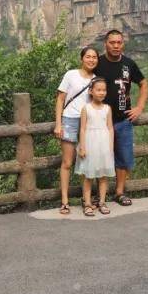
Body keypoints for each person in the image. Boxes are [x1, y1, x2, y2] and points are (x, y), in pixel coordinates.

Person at [95, 29, 148, 207]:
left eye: (119, 42)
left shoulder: (128, 64)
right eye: (112, 42)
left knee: (123, 157)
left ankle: (119, 192)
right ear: (106, 44)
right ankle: (99, 196)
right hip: (100, 121)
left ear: (123, 44)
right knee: (100, 157)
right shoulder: (98, 63)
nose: (116, 46)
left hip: (123, 120)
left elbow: (143, 83)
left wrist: (139, 107)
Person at [52, 46, 99, 214]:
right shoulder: (70, 74)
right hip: (69, 120)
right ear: (82, 58)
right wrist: (58, 124)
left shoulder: (96, 79)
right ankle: (64, 201)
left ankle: (86, 199)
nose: (91, 59)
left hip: (88, 123)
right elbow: (60, 99)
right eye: (88, 56)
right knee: (67, 162)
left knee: (86, 161)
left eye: (94, 57)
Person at [76, 78, 115, 217]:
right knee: (88, 176)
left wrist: (110, 147)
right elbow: (82, 129)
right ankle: (87, 203)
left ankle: (102, 202)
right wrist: (82, 147)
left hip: (104, 144)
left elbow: (110, 128)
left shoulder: (107, 108)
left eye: (104, 90)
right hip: (90, 144)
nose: (101, 92)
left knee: (103, 176)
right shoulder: (86, 108)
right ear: (91, 91)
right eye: (98, 90)